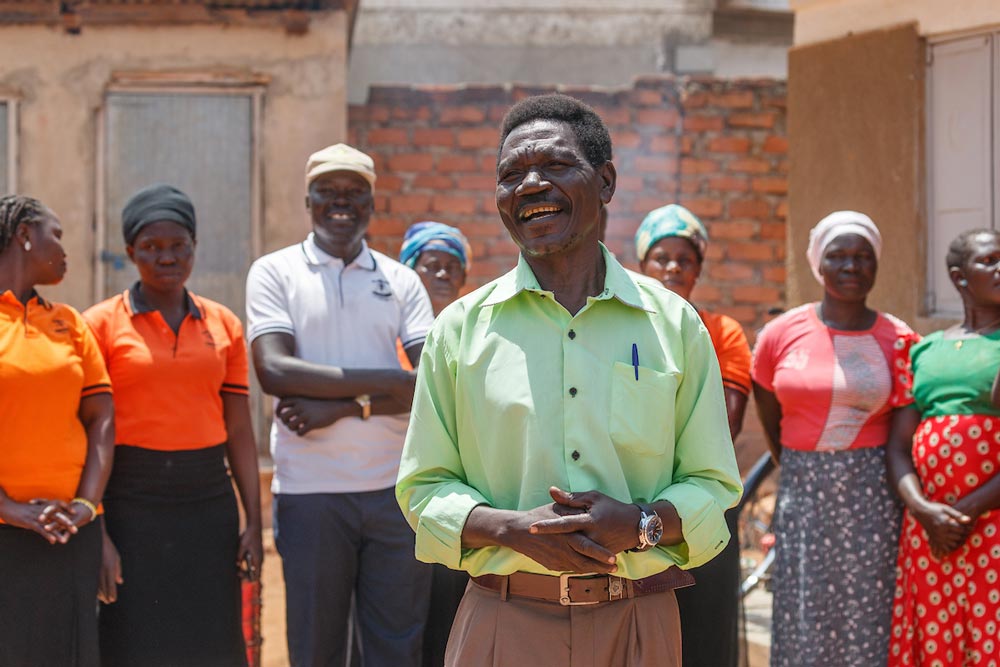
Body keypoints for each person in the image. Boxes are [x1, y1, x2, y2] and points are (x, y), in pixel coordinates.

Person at [396, 93, 742, 666]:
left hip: (638, 621)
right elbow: (422, 488)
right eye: (511, 174)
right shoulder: (460, 330)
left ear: (605, 181)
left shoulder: (674, 324)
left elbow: (712, 483)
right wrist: (510, 529)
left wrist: (641, 525)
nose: (531, 184)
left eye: (555, 166)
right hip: (503, 622)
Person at [247, 144, 435, 666]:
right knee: (315, 649)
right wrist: (393, 382)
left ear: (372, 204)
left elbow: (433, 385)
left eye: (354, 194)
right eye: (327, 192)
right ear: (307, 201)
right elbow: (274, 371)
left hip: (393, 492)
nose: (340, 203)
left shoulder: (401, 281)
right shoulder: (275, 272)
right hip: (311, 493)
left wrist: (346, 406)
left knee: (395, 646)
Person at [84, 184, 262, 667]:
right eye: (152, 248)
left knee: (211, 638)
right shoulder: (98, 326)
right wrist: (97, 532)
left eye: (179, 245)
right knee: (133, 638)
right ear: (129, 253)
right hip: (129, 503)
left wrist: (253, 521)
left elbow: (240, 431)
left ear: (195, 247)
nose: (168, 258)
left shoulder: (223, 323)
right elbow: (87, 435)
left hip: (207, 504)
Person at [751, 210, 916, 667]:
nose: (851, 266)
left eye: (863, 256)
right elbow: (769, 409)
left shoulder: (900, 339)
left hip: (875, 499)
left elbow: (908, 428)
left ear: (876, 265)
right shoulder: (780, 335)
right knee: (804, 614)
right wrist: (802, 465)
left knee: (871, 615)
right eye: (838, 256)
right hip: (803, 495)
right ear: (816, 265)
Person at [0, 195, 115, 666]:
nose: (66, 250)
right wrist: (11, 510)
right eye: (57, 236)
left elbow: (101, 421)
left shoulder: (70, 323)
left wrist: (88, 510)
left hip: (68, 534)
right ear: (25, 235)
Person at [635, 203, 751, 667]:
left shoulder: (721, 332)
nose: (672, 268)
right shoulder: (624, 327)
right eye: (661, 258)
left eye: (685, 260)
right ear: (642, 265)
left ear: (699, 269)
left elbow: (728, 420)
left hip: (702, 499)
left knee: (703, 629)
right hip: (636, 500)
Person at [886, 228, 1000, 666]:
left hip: (990, 523)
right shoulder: (924, 350)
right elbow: (898, 447)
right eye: (989, 260)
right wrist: (925, 510)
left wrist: (966, 510)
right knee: (937, 638)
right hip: (931, 530)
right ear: (959, 277)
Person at [398, 221, 473, 667]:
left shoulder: (473, 334)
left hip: (458, 495)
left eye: (452, 267)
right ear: (412, 272)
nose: (442, 275)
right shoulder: (391, 333)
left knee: (448, 609)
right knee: (402, 617)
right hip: (397, 498)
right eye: (431, 266)